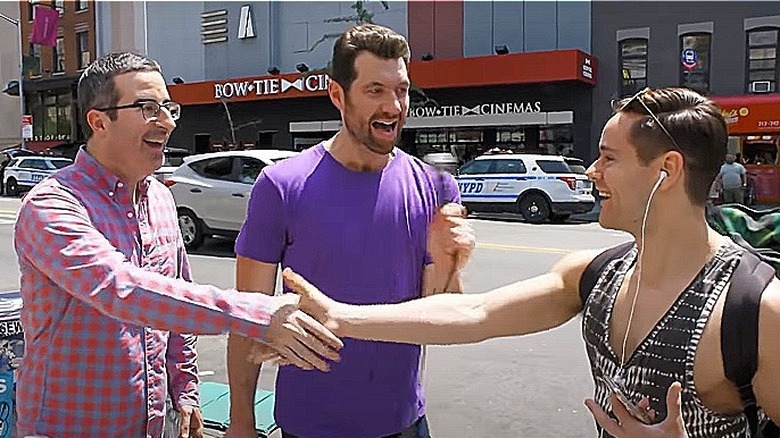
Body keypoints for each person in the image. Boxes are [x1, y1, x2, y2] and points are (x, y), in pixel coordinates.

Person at [277, 87, 780, 438]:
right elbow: (476, 315)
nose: (591, 171)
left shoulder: (756, 311)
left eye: (608, 158)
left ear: (667, 171)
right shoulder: (596, 273)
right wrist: (341, 316)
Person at [12, 52, 343, 438]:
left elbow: (175, 304)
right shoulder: (51, 205)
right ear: (99, 121)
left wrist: (186, 392)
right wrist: (261, 314)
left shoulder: (160, 199)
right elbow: (121, 291)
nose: (167, 123)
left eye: (169, 108)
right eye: (148, 108)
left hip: (160, 424)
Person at [225, 24, 475, 438]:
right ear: (338, 95)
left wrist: (452, 264)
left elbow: (445, 316)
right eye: (375, 90)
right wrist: (241, 422)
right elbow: (247, 315)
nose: (394, 106)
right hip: (309, 425)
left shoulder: (435, 188)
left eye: (402, 90)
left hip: (404, 424)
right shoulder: (282, 186)